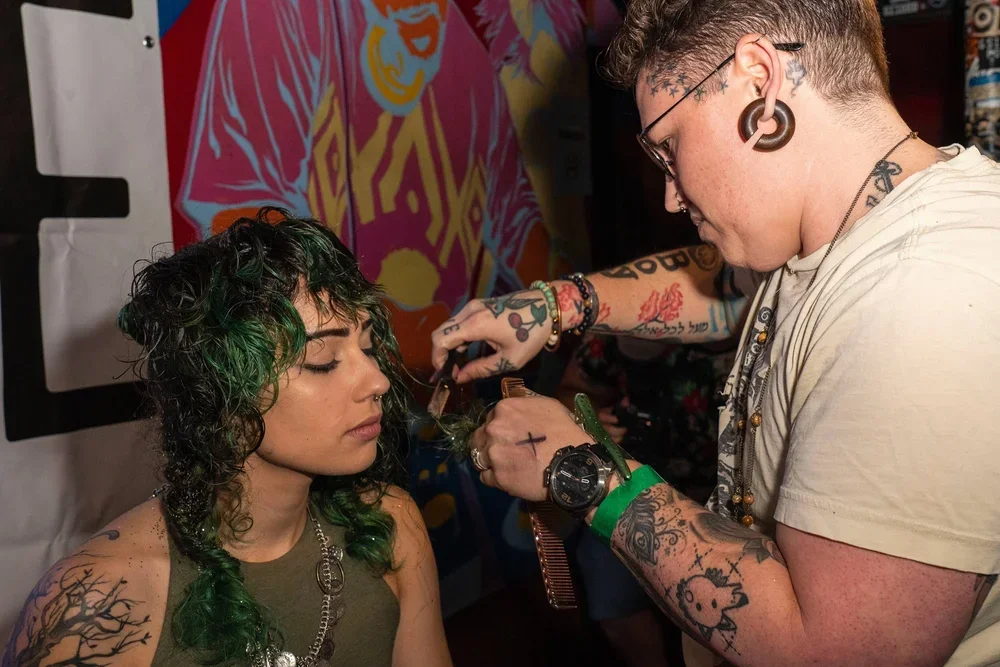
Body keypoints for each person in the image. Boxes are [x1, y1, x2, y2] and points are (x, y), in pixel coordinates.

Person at [430, 1, 1000, 665]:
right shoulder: (847, 229)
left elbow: (833, 653)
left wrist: (575, 467)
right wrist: (556, 304)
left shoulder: (923, 294)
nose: (670, 194)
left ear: (758, 83)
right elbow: (724, 291)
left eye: (668, 146)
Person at [2, 210, 451, 667]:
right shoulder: (96, 607)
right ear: (220, 391)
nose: (376, 380)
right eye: (323, 360)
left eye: (369, 347)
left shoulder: (388, 526)